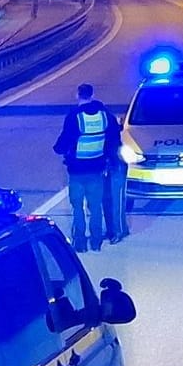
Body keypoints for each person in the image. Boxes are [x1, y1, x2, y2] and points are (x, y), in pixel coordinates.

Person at [54, 83, 121, 252]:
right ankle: (96, 242)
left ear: (78, 95)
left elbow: (65, 141)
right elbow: (114, 138)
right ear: (92, 94)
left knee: (77, 207)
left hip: (76, 171)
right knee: (95, 206)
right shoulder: (105, 115)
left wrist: (58, 149)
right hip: (97, 169)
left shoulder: (74, 116)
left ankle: (80, 243)